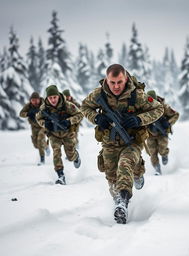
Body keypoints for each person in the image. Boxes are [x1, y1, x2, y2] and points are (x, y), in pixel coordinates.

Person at [81, 64, 164, 224]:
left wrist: (139, 119)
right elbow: (85, 107)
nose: (116, 86)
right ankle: (120, 195)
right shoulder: (99, 95)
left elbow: (158, 109)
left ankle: (123, 202)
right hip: (109, 143)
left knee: (125, 165)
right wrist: (97, 118)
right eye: (112, 82)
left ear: (125, 78)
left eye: (119, 82)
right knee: (112, 178)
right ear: (107, 80)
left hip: (131, 142)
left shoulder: (137, 95)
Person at [36, 85, 84, 185]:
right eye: (50, 98)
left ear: (58, 96)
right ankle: (61, 176)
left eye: (55, 97)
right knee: (56, 153)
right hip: (54, 135)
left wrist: (69, 121)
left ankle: (76, 156)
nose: (53, 100)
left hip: (68, 134)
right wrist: (45, 123)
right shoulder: (44, 108)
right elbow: (38, 118)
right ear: (47, 98)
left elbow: (80, 115)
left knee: (70, 156)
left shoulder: (67, 105)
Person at [146, 90, 179, 175]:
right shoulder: (144, 107)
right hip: (150, 134)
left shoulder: (164, 107)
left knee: (162, 149)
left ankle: (164, 154)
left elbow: (176, 115)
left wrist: (168, 123)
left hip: (162, 133)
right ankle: (157, 169)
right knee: (152, 152)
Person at [19, 92, 50, 165]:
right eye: (33, 100)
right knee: (36, 145)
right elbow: (21, 114)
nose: (35, 102)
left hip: (43, 126)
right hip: (34, 127)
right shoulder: (29, 106)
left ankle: (42, 160)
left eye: (36, 100)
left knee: (40, 139)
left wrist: (42, 113)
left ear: (39, 99)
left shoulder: (44, 104)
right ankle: (46, 147)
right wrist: (28, 113)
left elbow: (50, 112)